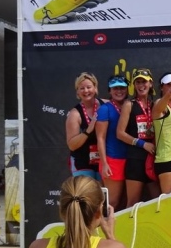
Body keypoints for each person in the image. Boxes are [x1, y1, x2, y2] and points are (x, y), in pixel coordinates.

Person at [116, 68, 159, 208]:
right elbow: (120, 133)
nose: (141, 85)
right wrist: (142, 144)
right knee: (132, 203)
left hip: (153, 159)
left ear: (151, 83)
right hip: (135, 159)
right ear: (134, 85)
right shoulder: (129, 104)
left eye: (144, 82)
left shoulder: (155, 105)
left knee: (159, 201)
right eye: (138, 82)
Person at [96, 76, 129, 211]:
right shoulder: (105, 109)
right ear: (109, 91)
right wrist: (104, 163)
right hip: (113, 160)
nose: (119, 91)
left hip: (129, 159)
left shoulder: (129, 106)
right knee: (112, 203)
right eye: (115, 88)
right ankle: (102, 225)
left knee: (124, 203)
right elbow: (100, 138)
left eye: (122, 88)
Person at [66, 72, 104, 180]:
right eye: (82, 88)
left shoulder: (105, 105)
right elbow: (72, 145)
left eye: (89, 87)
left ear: (95, 88)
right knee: (87, 189)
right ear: (77, 92)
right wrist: (88, 131)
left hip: (103, 160)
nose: (86, 91)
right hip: (82, 162)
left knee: (103, 190)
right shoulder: (74, 114)